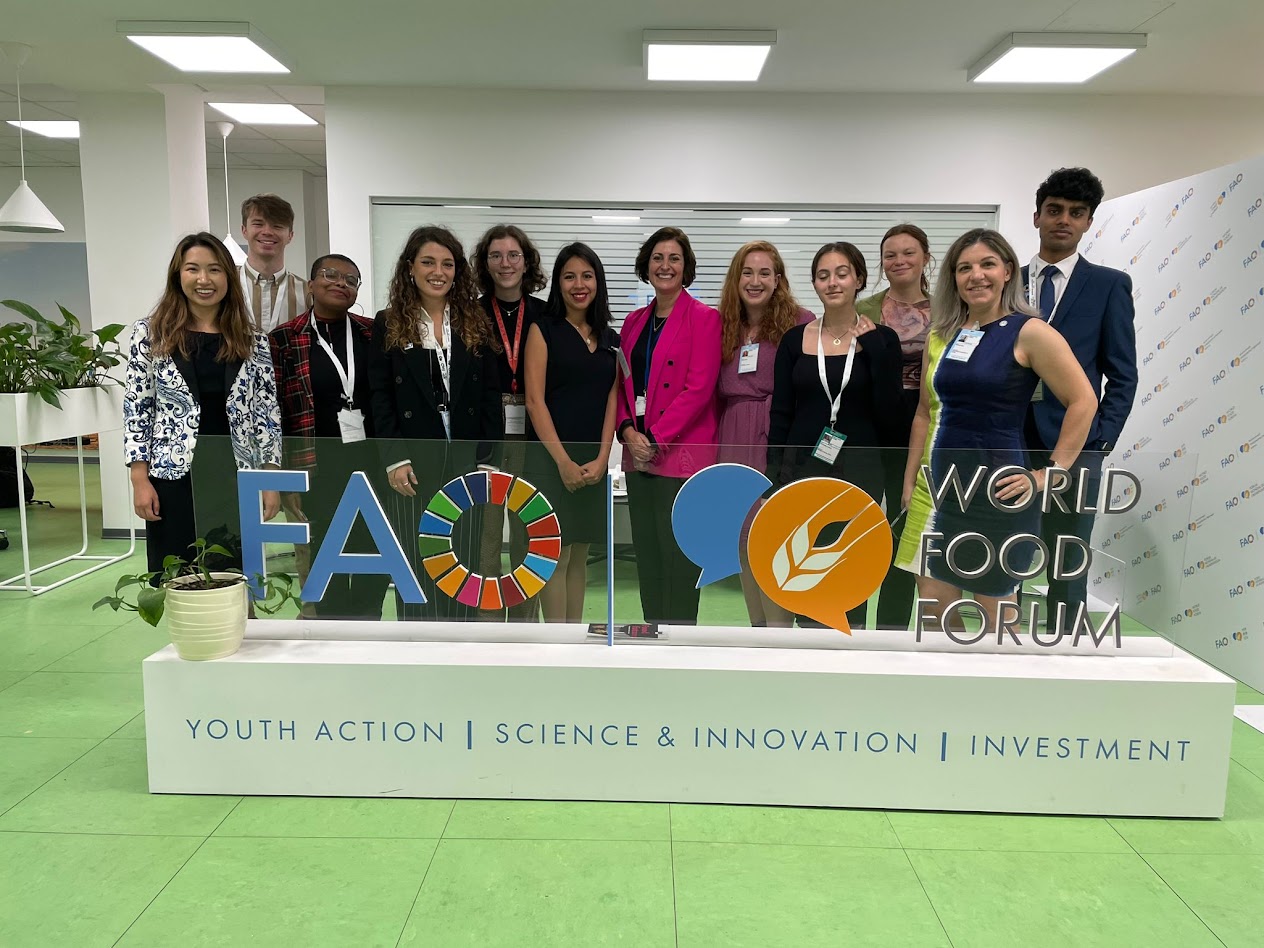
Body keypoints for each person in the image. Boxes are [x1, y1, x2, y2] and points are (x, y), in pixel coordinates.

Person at [896, 229, 1097, 631]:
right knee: (935, 618)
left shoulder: (1030, 332)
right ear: (954, 278)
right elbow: (924, 412)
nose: (976, 275)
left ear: (1007, 271)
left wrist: (1050, 474)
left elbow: (1084, 401)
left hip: (997, 493)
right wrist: (909, 481)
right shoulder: (943, 334)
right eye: (964, 268)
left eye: (987, 264)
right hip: (937, 492)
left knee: (997, 627)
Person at [123, 232, 281, 577]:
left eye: (214, 269)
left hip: (234, 472)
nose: (203, 279)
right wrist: (139, 478)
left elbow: (267, 414)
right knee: (177, 574)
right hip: (173, 474)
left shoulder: (252, 339)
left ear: (228, 277)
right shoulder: (150, 333)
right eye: (192, 269)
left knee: (233, 574)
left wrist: (270, 479)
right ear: (178, 275)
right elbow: (138, 408)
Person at [367, 226, 503, 621]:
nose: (438, 272)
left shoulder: (474, 321)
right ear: (410, 267)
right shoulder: (389, 322)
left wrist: (487, 458)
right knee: (415, 559)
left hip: (465, 460)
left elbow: (489, 396)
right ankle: (416, 645)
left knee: (462, 561)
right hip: (412, 462)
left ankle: (460, 645)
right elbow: (380, 398)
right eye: (428, 262)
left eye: (447, 264)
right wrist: (394, 458)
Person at [766, 242, 904, 631]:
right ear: (814, 283)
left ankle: (849, 640)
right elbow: (782, 411)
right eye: (823, 275)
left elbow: (891, 413)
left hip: (861, 469)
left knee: (849, 555)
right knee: (804, 554)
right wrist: (773, 472)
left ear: (859, 279)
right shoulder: (795, 340)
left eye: (842, 274)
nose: (832, 283)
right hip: (804, 468)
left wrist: (874, 351)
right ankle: (809, 638)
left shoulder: (883, 339)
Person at [1023, 168, 1138, 632]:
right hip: (1009, 438)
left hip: (1077, 443)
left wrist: (1099, 441)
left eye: (1076, 213)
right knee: (1004, 548)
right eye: (1054, 210)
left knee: (1068, 555)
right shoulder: (1005, 282)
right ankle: (998, 644)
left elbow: (1122, 373)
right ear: (1037, 216)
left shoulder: (1109, 285)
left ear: (1089, 222)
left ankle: (1066, 646)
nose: (1063, 220)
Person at [270, 254, 390, 620]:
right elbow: (275, 413)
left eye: (351, 280)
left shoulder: (375, 334)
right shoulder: (283, 340)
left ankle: (367, 621)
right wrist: (284, 477)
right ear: (310, 285)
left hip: (373, 463)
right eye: (330, 275)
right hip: (316, 466)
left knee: (374, 546)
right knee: (324, 548)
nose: (341, 283)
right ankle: (332, 624)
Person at [616, 227, 721, 626]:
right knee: (648, 555)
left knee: (679, 558)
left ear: (686, 267)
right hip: (638, 455)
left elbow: (699, 389)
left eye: (674, 258)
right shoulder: (634, 321)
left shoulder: (705, 319)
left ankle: (681, 640)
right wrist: (628, 432)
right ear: (646, 266)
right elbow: (623, 384)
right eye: (657, 258)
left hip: (681, 458)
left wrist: (655, 439)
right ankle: (652, 634)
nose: (665, 265)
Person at [716, 240, 814, 627]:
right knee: (742, 538)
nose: (755, 281)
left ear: (778, 279)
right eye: (747, 272)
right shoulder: (724, 325)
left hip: (774, 434)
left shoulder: (800, 322)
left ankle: (779, 632)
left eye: (764, 273)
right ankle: (758, 630)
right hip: (732, 436)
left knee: (774, 538)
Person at [524, 243, 619, 622]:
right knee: (554, 555)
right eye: (569, 277)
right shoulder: (543, 330)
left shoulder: (610, 338)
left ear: (598, 281)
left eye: (587, 276)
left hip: (592, 462)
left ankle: (576, 638)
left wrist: (603, 458)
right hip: (550, 460)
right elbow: (535, 401)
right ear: (558, 283)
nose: (579, 285)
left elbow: (613, 399)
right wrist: (562, 461)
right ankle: (556, 643)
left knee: (580, 553)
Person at [857, 224, 934, 630]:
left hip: (928, 427)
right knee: (863, 523)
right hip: (872, 428)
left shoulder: (951, 309)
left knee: (907, 524)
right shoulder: (863, 310)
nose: (899, 261)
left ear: (926, 258)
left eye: (908, 253)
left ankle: (892, 627)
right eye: (890, 254)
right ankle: (849, 622)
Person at [471, 224, 548, 620]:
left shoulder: (545, 314)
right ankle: (487, 615)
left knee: (526, 525)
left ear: (526, 261)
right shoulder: (471, 313)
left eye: (513, 255)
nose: (505, 263)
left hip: (533, 428)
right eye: (496, 256)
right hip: (488, 429)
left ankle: (523, 617)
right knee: (485, 525)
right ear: (485, 264)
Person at [237, 194, 308, 333]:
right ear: (244, 230)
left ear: (290, 235)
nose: (267, 232)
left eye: (277, 226)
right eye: (258, 224)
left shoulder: (307, 293)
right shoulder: (225, 285)